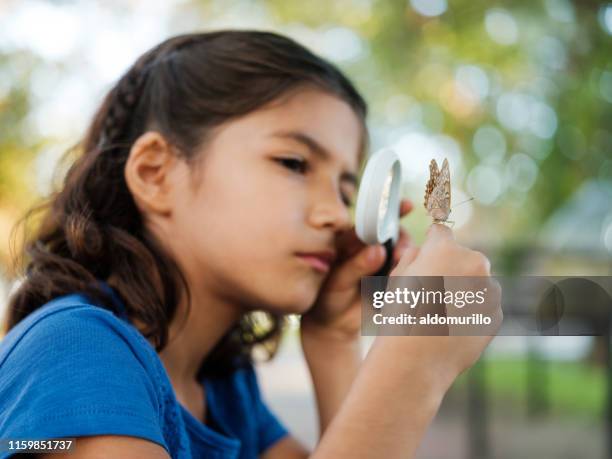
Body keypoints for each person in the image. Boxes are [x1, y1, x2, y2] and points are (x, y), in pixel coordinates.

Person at [0, 30, 501, 458]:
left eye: (346, 192)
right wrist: (412, 371)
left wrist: (335, 338)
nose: (335, 214)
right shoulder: (75, 353)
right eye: (294, 163)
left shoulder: (224, 385)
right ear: (156, 173)